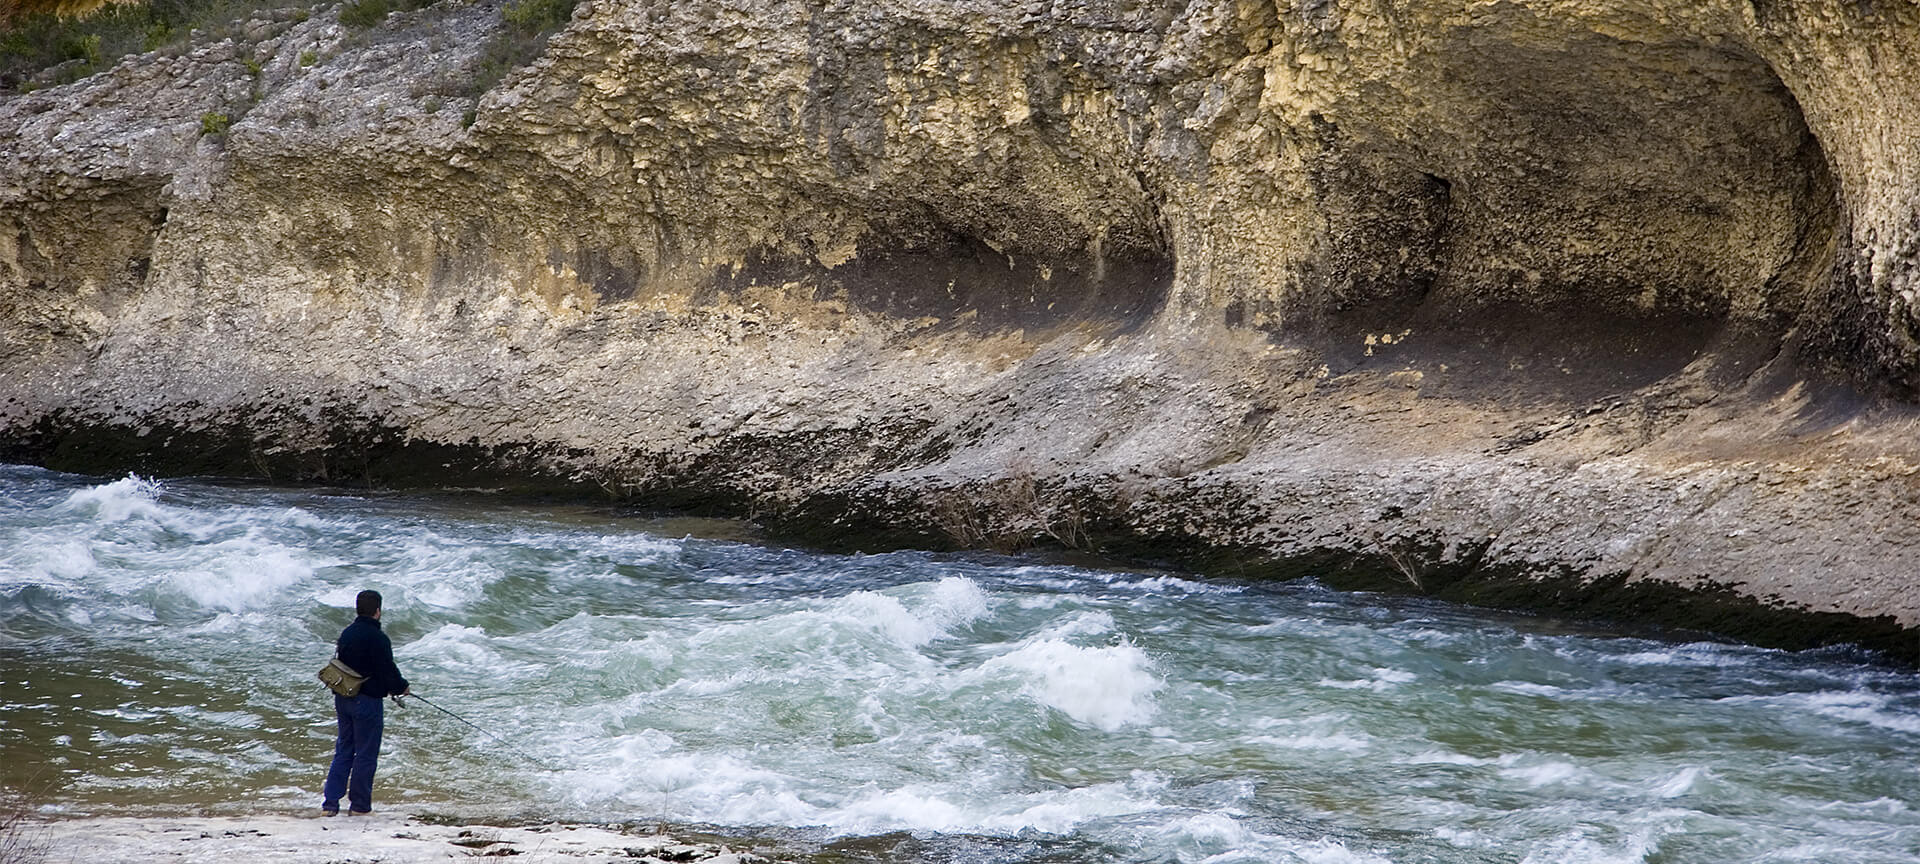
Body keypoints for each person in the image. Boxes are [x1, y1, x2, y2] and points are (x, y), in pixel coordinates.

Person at [322, 589, 410, 816]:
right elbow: (387, 670)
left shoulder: (347, 633)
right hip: (367, 702)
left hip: (343, 697)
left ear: (358, 609)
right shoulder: (378, 638)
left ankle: (330, 804)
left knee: (344, 749)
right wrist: (402, 687)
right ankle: (359, 806)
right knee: (366, 754)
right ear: (378, 611)